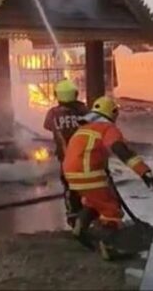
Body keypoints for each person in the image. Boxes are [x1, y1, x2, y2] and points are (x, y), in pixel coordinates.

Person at [63, 96, 153, 242]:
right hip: (88, 174)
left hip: (71, 175)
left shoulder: (83, 129)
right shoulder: (108, 128)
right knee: (111, 209)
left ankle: (80, 227)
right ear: (113, 113)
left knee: (94, 202)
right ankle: (109, 244)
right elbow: (119, 149)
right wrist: (144, 171)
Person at [43, 79, 89, 227]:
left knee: (70, 186)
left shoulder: (52, 113)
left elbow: (47, 126)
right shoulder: (84, 110)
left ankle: (73, 216)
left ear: (57, 95)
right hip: (85, 156)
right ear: (75, 94)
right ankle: (89, 213)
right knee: (89, 185)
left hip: (65, 158)